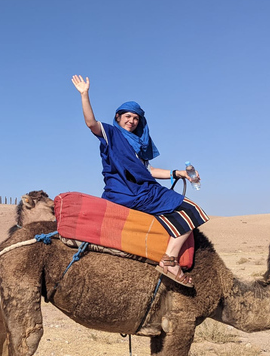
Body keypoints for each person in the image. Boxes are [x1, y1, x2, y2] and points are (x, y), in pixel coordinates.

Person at [71, 75, 208, 287]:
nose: (131, 121)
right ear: (118, 117)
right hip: (131, 193)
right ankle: (170, 260)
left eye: (135, 118)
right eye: (127, 116)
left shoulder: (137, 146)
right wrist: (84, 95)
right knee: (193, 210)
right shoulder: (112, 134)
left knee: (181, 210)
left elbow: (149, 171)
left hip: (140, 191)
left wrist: (180, 173)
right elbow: (91, 123)